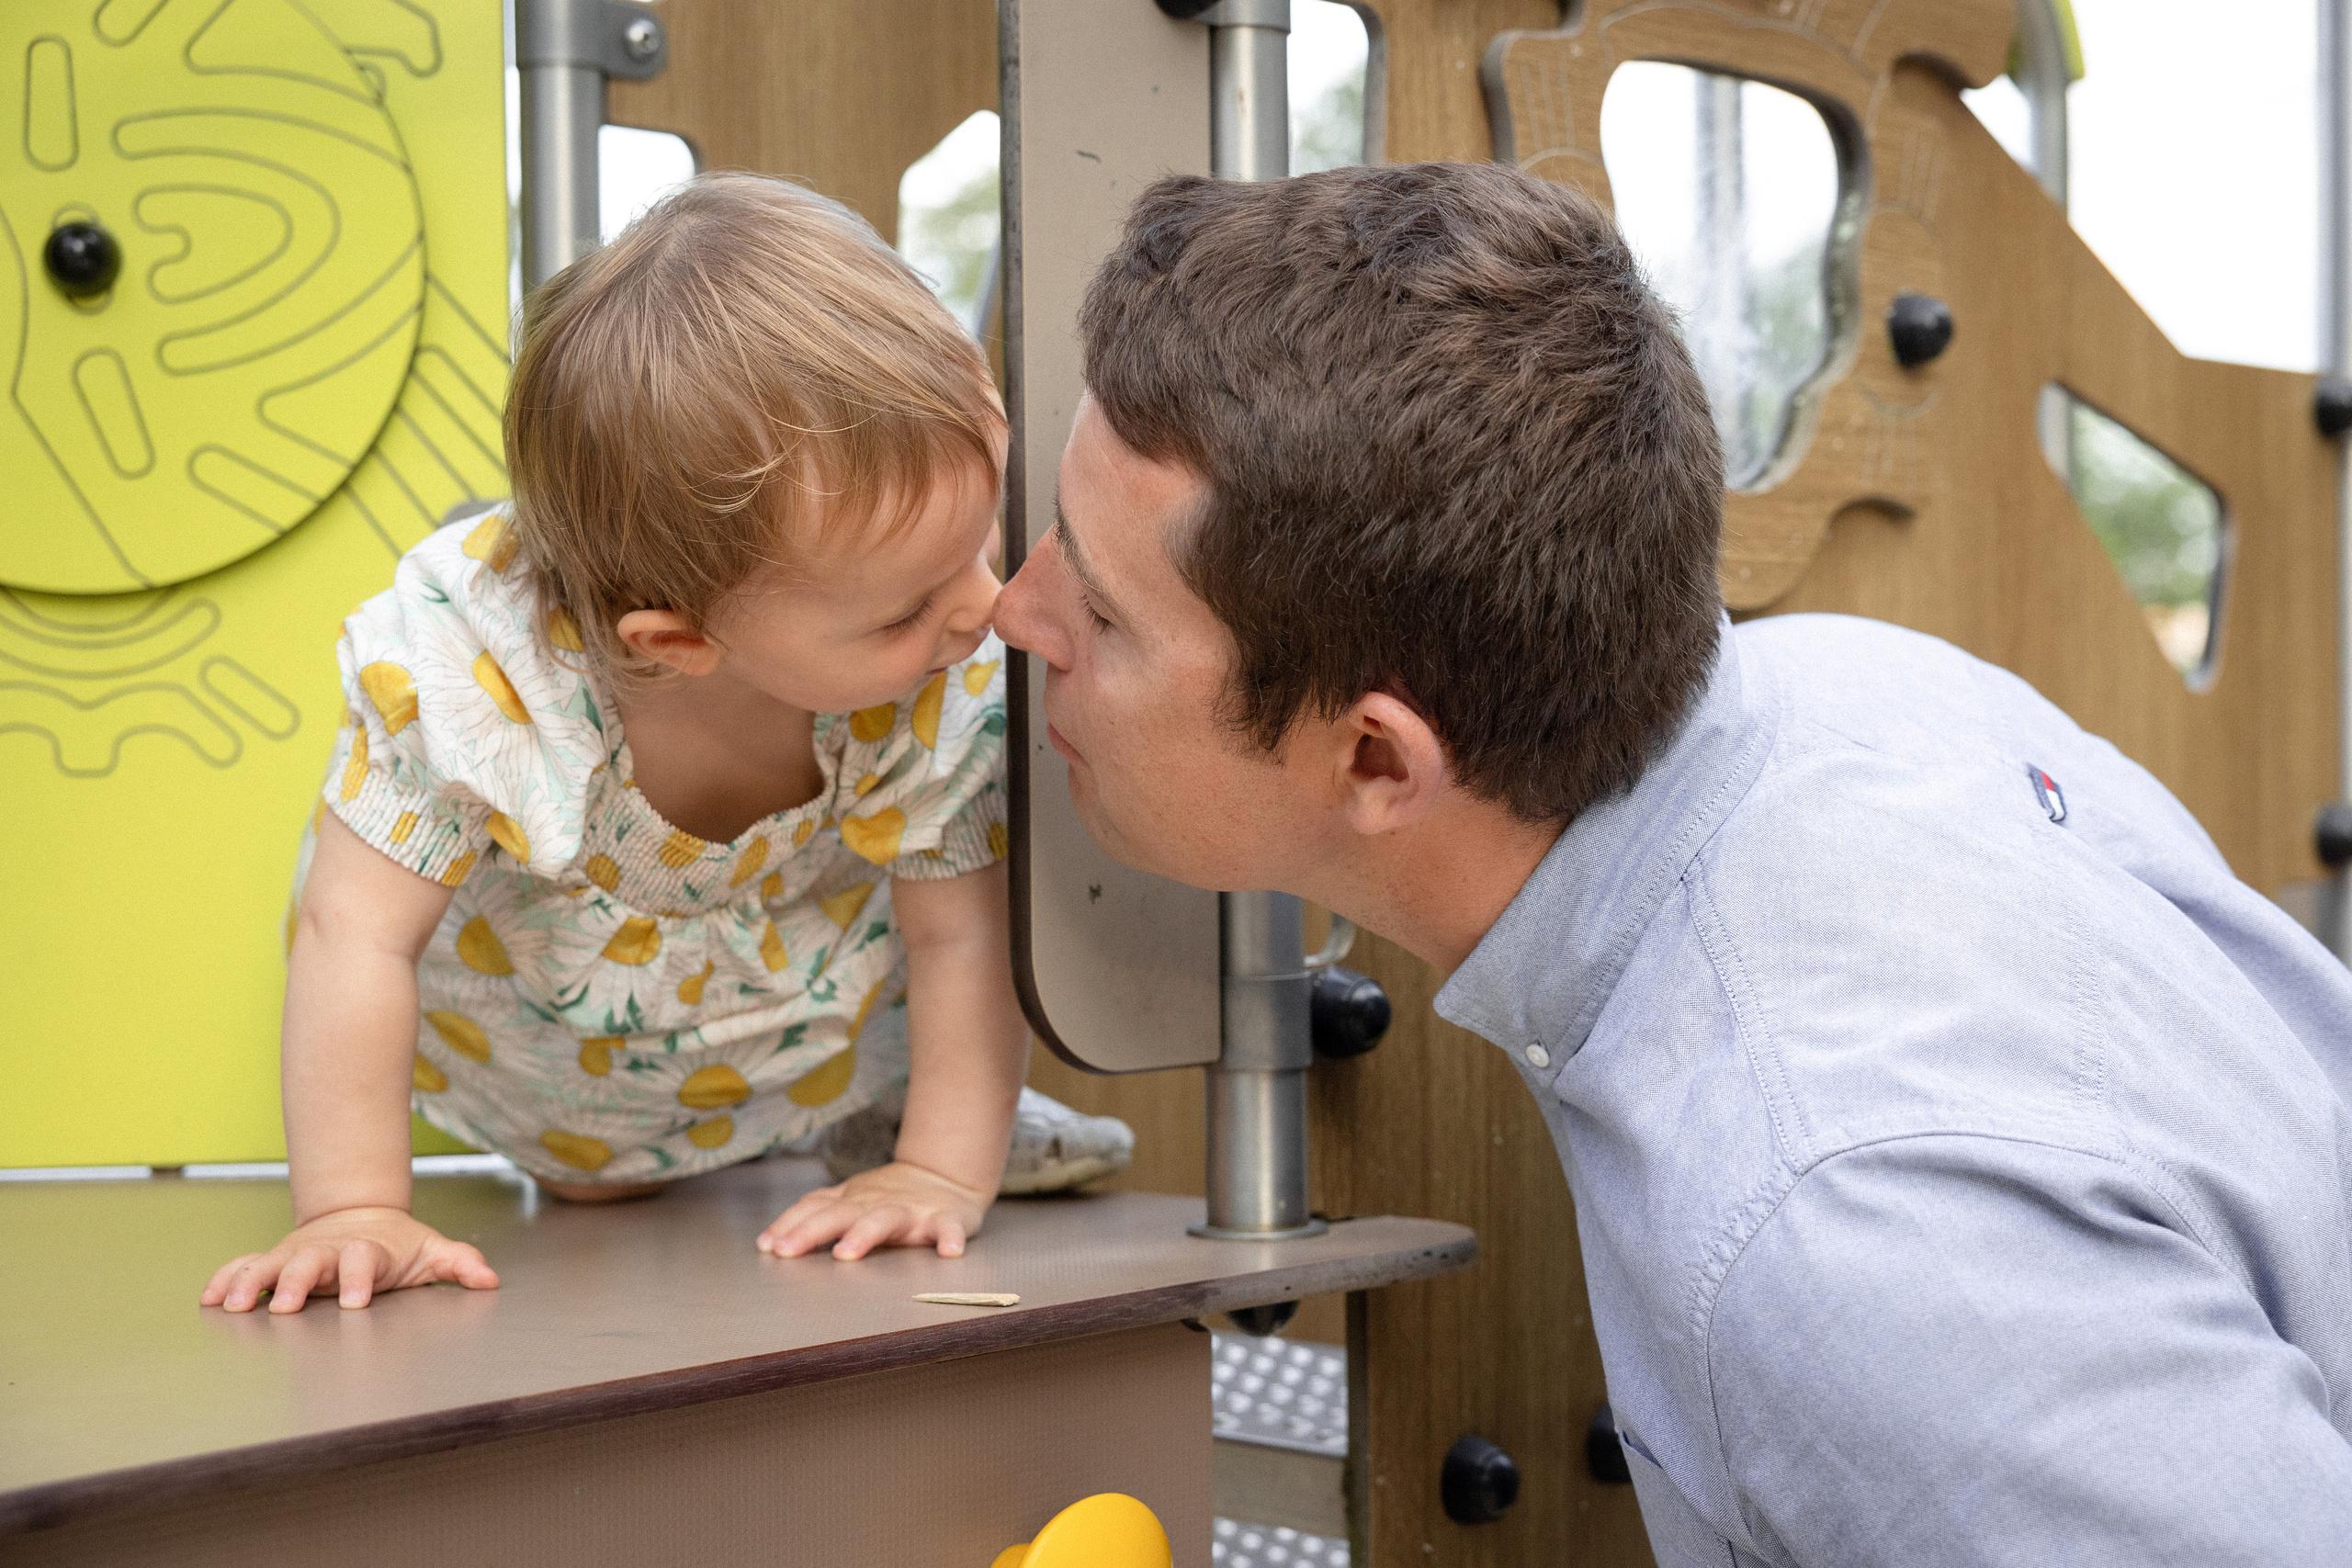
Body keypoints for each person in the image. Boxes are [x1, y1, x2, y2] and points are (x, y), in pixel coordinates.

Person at [992, 162, 2352, 1562]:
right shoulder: (1860, 687)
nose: (1011, 607)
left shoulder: (1848, 1233)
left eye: (1099, 606)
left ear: (1380, 760)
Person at [203, 174, 1131, 1317]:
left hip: (798, 1007)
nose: (981, 609)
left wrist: (939, 1169)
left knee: (936, 944)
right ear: (679, 638)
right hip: (536, 1052)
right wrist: (352, 1206)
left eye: (979, 546)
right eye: (902, 608)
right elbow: (354, 934)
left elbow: (955, 942)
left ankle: (881, 1117)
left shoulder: (932, 679)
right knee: (591, 1189)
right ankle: (669, 1144)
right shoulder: (479, 673)